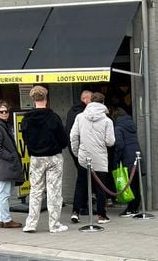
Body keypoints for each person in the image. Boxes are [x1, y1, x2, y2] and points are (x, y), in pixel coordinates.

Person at [20, 86, 68, 233]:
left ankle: (30, 224)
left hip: (36, 158)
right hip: (53, 157)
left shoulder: (26, 119)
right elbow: (63, 140)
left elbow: (25, 139)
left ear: (33, 100)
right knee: (54, 191)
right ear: (46, 99)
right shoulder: (53, 118)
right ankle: (54, 224)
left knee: (35, 191)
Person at [70, 92, 114, 224]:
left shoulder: (80, 117)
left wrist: (77, 152)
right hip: (99, 157)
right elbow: (110, 142)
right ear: (103, 103)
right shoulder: (107, 121)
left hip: (84, 157)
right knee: (101, 187)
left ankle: (75, 212)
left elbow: (73, 136)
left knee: (81, 185)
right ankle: (101, 215)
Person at [0, 100, 23, 229]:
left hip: (7, 165)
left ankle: (2, 219)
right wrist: (11, 157)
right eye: (1, 111)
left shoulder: (3, 125)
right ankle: (6, 220)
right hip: (6, 165)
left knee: (5, 193)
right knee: (4, 194)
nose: (4, 113)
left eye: (6, 111)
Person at [111, 107, 144, 217]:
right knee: (136, 184)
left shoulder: (118, 127)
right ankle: (136, 207)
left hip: (127, 159)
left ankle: (130, 208)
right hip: (136, 157)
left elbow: (119, 145)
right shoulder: (131, 125)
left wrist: (115, 160)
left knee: (130, 185)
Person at [66, 90, 92, 223]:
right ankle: (82, 206)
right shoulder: (82, 113)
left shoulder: (72, 111)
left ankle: (81, 206)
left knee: (82, 177)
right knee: (84, 178)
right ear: (85, 99)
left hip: (74, 149)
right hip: (82, 149)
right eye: (91, 99)